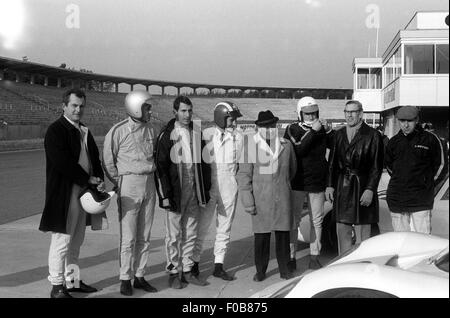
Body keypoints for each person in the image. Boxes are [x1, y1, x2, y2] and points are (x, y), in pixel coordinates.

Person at [39, 88, 107, 298]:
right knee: (62, 241)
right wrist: (87, 178)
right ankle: (57, 286)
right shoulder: (56, 130)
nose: (78, 110)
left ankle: (72, 281)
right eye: (74, 105)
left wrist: (99, 179)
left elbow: (94, 158)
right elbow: (62, 162)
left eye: (81, 106)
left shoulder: (83, 130)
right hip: (65, 192)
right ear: (64, 106)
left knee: (76, 241)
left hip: (83, 192)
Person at [102, 90, 158, 296]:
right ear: (135, 107)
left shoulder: (151, 129)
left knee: (145, 234)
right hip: (129, 182)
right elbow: (108, 160)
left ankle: (140, 275)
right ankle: (125, 277)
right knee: (129, 236)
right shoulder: (118, 131)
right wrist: (119, 182)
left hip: (149, 182)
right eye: (146, 107)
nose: (150, 111)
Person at [154, 96, 211, 289]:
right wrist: (165, 196)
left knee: (191, 231)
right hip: (175, 189)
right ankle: (173, 272)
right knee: (174, 235)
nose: (187, 115)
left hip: (193, 186)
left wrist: (205, 189)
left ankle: (187, 270)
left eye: (189, 111)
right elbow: (160, 168)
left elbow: (205, 163)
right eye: (183, 111)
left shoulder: (196, 132)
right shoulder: (166, 134)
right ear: (175, 112)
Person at [237, 110, 297, 281]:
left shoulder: (286, 145)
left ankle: (285, 269)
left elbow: (292, 170)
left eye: (271, 125)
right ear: (258, 127)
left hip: (282, 198)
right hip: (261, 199)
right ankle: (261, 271)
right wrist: (248, 200)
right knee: (261, 238)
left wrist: (282, 185)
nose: (268, 128)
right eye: (264, 126)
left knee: (283, 236)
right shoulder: (250, 146)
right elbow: (243, 174)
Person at [192, 101, 244, 281]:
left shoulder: (239, 137)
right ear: (221, 117)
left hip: (229, 183)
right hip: (210, 184)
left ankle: (219, 265)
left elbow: (242, 162)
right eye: (231, 119)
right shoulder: (205, 135)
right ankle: (194, 262)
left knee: (225, 226)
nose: (234, 123)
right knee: (203, 226)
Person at [325, 100, 384, 255]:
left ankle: (362, 267)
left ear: (360, 113)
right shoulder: (338, 134)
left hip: (362, 187)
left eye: (353, 112)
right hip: (342, 187)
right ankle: (343, 266)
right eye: (347, 112)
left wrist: (370, 189)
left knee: (363, 236)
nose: (349, 115)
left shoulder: (373, 135)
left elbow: (376, 167)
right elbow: (332, 163)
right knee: (342, 231)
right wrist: (330, 185)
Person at [284, 97, 334, 270]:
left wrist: (328, 132)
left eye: (314, 113)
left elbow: (334, 147)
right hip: (297, 182)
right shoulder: (292, 128)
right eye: (308, 113)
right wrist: (313, 131)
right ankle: (291, 256)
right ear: (300, 113)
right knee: (294, 221)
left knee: (317, 221)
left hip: (317, 182)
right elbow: (298, 148)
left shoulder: (320, 129)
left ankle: (314, 255)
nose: (312, 116)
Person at [385, 106, 447, 234]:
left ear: (417, 120)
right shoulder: (393, 142)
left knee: (423, 241)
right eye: (402, 121)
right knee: (400, 240)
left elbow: (442, 166)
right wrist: (400, 180)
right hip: (397, 198)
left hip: (421, 199)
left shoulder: (430, 139)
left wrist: (427, 184)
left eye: (410, 121)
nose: (406, 125)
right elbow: (389, 166)